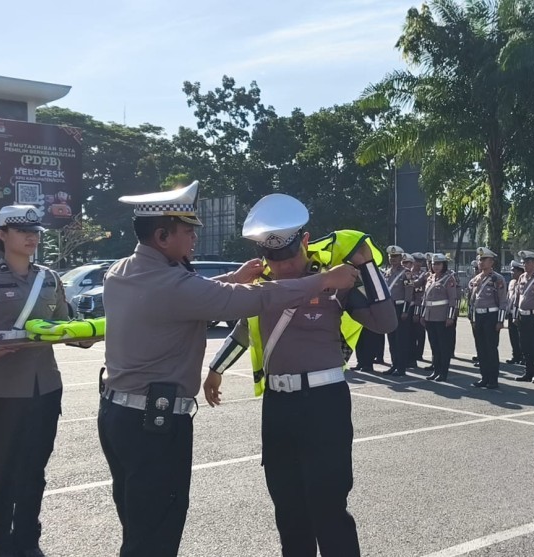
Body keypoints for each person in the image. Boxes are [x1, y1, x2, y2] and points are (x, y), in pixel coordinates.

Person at [97, 184, 358, 557]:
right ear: (162, 236)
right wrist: (325, 280)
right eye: (188, 231)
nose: (194, 238)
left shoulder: (120, 271)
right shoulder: (173, 283)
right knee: (156, 529)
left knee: (138, 523)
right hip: (152, 426)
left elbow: (185, 293)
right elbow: (258, 298)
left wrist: (233, 277)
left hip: (118, 416)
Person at [206, 193, 397, 557]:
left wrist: (366, 266)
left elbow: (385, 321)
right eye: (273, 259)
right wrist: (216, 368)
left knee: (329, 510)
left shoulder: (334, 282)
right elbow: (245, 331)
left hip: (325, 405)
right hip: (278, 406)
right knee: (289, 512)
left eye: (289, 255)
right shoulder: (260, 286)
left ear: (305, 242)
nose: (284, 267)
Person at [0, 205, 71, 557]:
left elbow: (64, 323)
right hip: (1, 393)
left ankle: (27, 540)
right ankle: (1, 546)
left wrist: (79, 336)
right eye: (21, 230)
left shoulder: (49, 279)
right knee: (3, 472)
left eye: (35, 230)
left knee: (35, 471)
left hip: (45, 389)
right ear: (1, 235)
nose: (31, 236)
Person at [468, 247, 507, 389]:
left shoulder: (497, 278)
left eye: (484, 259)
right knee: (481, 348)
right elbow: (472, 301)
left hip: (491, 316)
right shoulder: (475, 280)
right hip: (479, 316)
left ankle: (493, 379)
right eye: (480, 259)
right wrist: (472, 319)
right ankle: (484, 377)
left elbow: (503, 301)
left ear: (491, 262)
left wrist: (500, 320)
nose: (481, 262)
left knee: (491, 348)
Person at [421, 253, 458, 381]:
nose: (435, 266)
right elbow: (425, 298)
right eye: (433, 264)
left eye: (438, 264)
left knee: (443, 347)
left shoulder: (449, 279)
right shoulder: (430, 278)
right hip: (430, 317)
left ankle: (443, 372)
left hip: (442, 317)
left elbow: (452, 300)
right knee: (434, 346)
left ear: (444, 265)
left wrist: (450, 317)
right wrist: (423, 314)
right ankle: (436, 370)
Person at [513, 250, 534, 383]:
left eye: (528, 262)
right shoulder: (521, 277)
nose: (525, 265)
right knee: (524, 345)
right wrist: (515, 315)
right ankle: (528, 372)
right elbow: (517, 297)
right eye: (524, 262)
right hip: (522, 315)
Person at [382, 247, 413, 376]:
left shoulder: (406, 273)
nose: (393, 259)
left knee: (401, 339)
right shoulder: (387, 272)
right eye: (391, 256)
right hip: (390, 308)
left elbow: (409, 293)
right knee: (391, 338)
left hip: (401, 308)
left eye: (395, 256)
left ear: (401, 258)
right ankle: (394, 365)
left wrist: (405, 310)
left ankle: (401, 367)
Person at [505, 259, 526, 366]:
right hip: (511, 312)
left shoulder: (524, 282)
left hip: (519, 312)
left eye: (514, 271)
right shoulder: (512, 283)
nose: (511, 273)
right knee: (512, 336)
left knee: (520, 336)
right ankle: (515, 355)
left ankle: (523, 356)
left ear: (520, 272)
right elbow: (509, 297)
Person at [410, 252, 428, 366]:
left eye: (420, 262)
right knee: (411, 332)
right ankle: (412, 353)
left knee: (420, 331)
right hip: (410, 304)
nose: (418, 264)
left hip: (420, 304)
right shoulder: (408, 273)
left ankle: (419, 353)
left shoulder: (424, 274)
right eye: (416, 261)